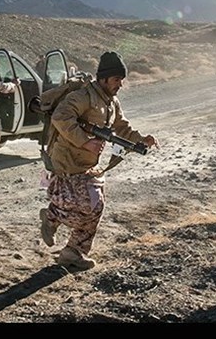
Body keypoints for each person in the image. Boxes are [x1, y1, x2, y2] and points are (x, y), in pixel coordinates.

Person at [39, 51, 158, 270]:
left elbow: (122, 127)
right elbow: (60, 117)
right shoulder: (83, 97)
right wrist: (85, 142)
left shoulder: (111, 102)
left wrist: (142, 139)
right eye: (116, 79)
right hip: (67, 162)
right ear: (103, 79)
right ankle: (55, 221)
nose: (120, 84)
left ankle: (70, 246)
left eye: (121, 80)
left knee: (95, 206)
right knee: (91, 206)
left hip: (87, 165)